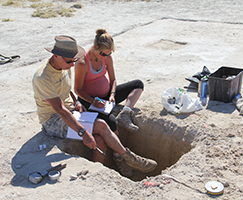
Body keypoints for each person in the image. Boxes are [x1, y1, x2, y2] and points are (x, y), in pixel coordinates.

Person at [32, 35, 157, 176]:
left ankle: (97, 173)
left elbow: (67, 91)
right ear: (56, 56)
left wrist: (77, 102)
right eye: (69, 61)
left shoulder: (64, 65)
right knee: (102, 125)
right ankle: (130, 158)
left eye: (74, 60)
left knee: (99, 140)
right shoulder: (43, 77)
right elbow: (60, 110)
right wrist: (83, 132)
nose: (72, 65)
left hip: (71, 111)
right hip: (53, 120)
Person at [74, 28, 143, 135]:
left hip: (106, 98)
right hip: (88, 101)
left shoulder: (107, 57)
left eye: (109, 54)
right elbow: (77, 90)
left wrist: (112, 94)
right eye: (103, 54)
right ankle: (118, 150)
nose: (106, 57)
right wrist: (93, 101)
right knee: (111, 122)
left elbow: (113, 79)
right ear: (95, 47)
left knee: (138, 84)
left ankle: (125, 113)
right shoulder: (82, 63)